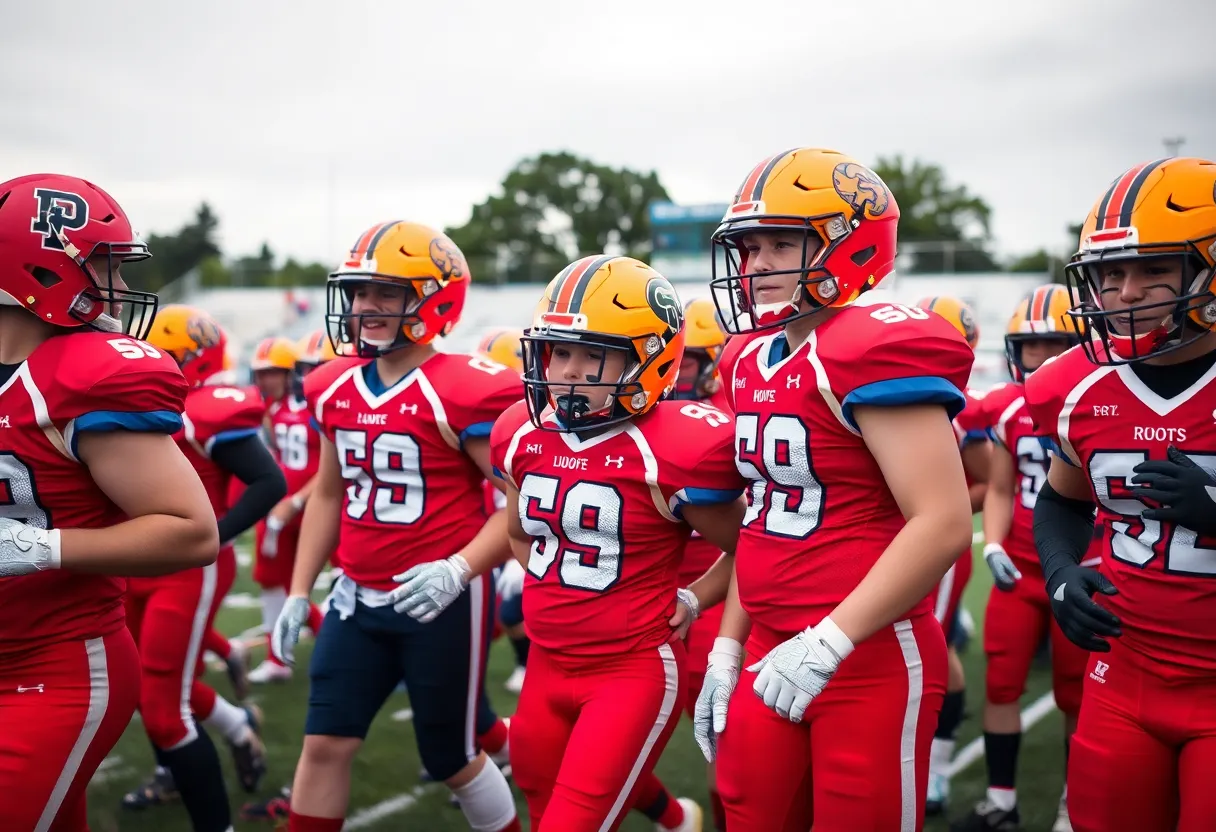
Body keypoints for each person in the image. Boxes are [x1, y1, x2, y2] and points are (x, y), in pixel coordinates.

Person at [395, 254, 739, 831]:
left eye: (593, 355)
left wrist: (695, 596)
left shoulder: (673, 447)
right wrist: (556, 586)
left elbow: (757, 544)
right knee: (539, 801)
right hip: (548, 662)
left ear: (648, 359)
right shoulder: (520, 432)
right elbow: (516, 533)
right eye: (560, 352)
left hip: (630, 669)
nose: (570, 370)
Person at [697, 147, 975, 831]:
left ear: (849, 245)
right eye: (749, 247)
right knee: (749, 814)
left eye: (779, 244)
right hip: (769, 644)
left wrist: (830, 640)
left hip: (868, 652)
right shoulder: (745, 358)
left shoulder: (870, 346)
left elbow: (942, 520)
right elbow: (765, 518)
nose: (756, 264)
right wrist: (729, 644)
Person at [271, 220, 522, 832]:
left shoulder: (462, 388)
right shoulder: (331, 384)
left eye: (386, 292)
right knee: (323, 744)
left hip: (440, 599)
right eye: (359, 291)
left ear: (435, 300)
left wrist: (459, 569)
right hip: (356, 597)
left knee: (451, 757)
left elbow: (523, 502)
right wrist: (300, 591)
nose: (366, 306)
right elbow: (329, 493)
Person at [0, 173, 219, 830]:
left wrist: (40, 547)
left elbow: (191, 531)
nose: (120, 287)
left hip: (57, 664)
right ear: (39, 269)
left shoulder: (84, 376)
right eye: (106, 267)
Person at [1026, 156, 1216, 832]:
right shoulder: (1074, 383)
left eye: (1153, 269)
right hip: (1124, 674)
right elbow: (1063, 501)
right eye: (1110, 275)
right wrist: (1059, 573)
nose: (1125, 293)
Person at [123, 305, 283, 828]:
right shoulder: (133, 402)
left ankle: (203, 797)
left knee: (164, 706)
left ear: (193, 358)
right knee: (143, 684)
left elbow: (269, 482)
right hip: (134, 560)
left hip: (186, 570)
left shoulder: (208, 409)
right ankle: (237, 726)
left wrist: (216, 534)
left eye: (163, 354)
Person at [952, 284, 1086, 832]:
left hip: (1084, 570)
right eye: (1034, 346)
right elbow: (1002, 487)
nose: (1045, 357)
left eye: (1057, 344)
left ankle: (1074, 807)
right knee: (1002, 682)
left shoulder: (1099, 401)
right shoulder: (1010, 407)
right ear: (1014, 351)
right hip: (1022, 571)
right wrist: (995, 543)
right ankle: (1001, 801)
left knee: (1077, 694)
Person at [912, 295, 991, 818]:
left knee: (931, 654)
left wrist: (938, 512)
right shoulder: (883, 391)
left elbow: (989, 482)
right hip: (889, 544)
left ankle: (934, 767)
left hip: (932, 549)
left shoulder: (960, 410)